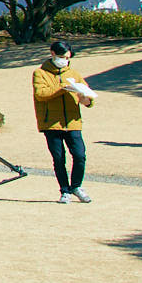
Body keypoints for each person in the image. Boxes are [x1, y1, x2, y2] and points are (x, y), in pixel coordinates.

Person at [32, 39, 96, 203]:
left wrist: (86, 99)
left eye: (68, 58)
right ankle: (64, 190)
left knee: (80, 155)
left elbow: (87, 95)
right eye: (62, 57)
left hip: (72, 123)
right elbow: (41, 94)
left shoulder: (73, 74)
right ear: (52, 54)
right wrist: (62, 89)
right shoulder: (40, 73)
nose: (65, 61)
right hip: (51, 124)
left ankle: (76, 186)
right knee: (59, 159)